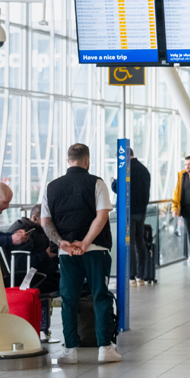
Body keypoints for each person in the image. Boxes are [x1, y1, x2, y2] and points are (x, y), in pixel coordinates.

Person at [41, 143, 121, 364]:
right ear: (87, 160)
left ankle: (70, 351)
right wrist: (85, 243)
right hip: (96, 250)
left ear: (68, 160)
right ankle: (105, 349)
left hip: (67, 254)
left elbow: (45, 222)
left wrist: (61, 243)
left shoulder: (51, 187)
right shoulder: (97, 183)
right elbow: (102, 216)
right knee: (100, 295)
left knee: (69, 299)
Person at [111, 149, 152, 286]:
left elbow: (119, 188)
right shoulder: (144, 170)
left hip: (127, 211)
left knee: (130, 243)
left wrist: (114, 182)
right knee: (140, 241)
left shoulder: (125, 170)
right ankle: (141, 275)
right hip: (141, 211)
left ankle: (131, 276)